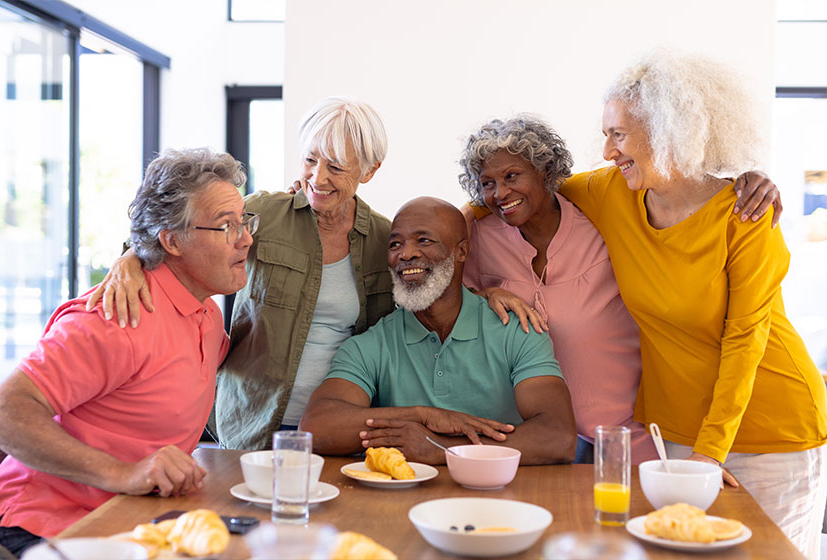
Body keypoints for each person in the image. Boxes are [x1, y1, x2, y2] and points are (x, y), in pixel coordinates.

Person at [560, 51, 827, 558]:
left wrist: (710, 455)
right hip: (678, 431)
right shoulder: (608, 192)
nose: (607, 149)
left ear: (668, 129)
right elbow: (518, 194)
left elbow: (746, 341)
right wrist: (455, 231)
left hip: (773, 431)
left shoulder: (745, 216)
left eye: (618, 134)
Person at [0, 148, 253, 556]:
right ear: (172, 241)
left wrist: (131, 254)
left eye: (244, 222)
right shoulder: (117, 318)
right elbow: (2, 413)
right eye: (226, 226)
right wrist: (124, 473)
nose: (246, 239)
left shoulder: (207, 314)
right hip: (40, 525)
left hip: (125, 521)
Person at [90, 98, 395, 450]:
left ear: (369, 171)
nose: (317, 177)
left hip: (338, 428)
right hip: (252, 421)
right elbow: (184, 233)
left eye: (337, 168)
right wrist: (130, 257)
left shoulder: (383, 240)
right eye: (310, 159)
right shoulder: (265, 212)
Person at [299, 197, 577, 465]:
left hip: (499, 501)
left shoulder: (517, 329)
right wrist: (422, 416)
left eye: (424, 240)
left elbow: (558, 437)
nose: (406, 254)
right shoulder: (372, 344)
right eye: (395, 244)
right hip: (402, 505)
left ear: (461, 251)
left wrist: (442, 449)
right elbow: (315, 428)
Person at [458, 116, 656, 464]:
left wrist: (741, 182)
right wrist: (485, 296)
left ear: (545, 172)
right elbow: (442, 304)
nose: (500, 193)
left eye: (512, 176)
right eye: (487, 183)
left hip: (623, 436)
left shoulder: (599, 225)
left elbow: (674, 194)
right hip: (532, 441)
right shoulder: (480, 238)